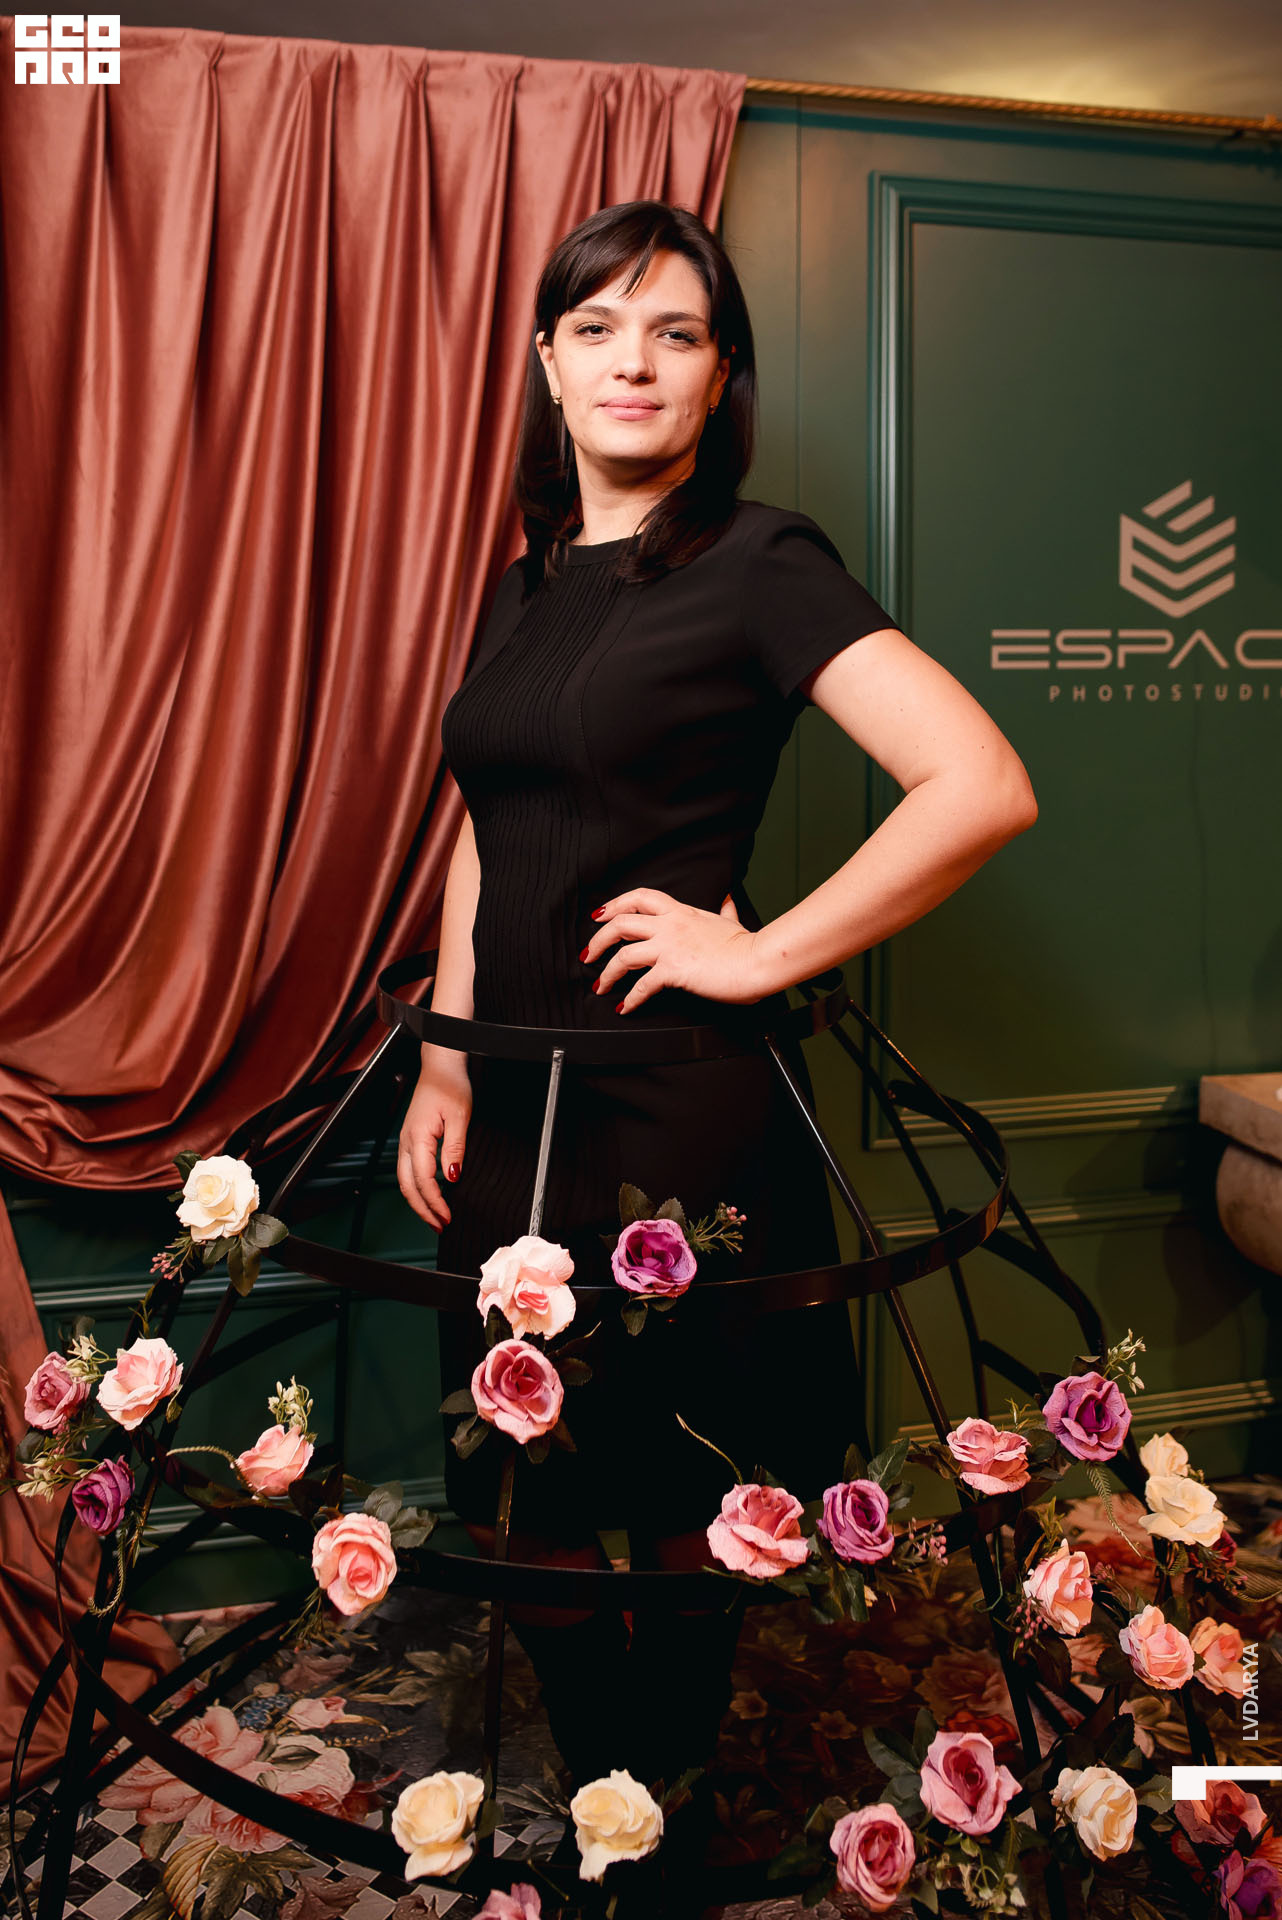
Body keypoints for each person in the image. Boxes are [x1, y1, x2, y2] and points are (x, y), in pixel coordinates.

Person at [396, 199, 1037, 1881]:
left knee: (684, 1489)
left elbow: (978, 784)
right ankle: (607, 1782)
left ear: (717, 376)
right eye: (598, 327)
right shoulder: (527, 580)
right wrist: (446, 1057)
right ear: (546, 363)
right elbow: (486, 829)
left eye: (673, 332)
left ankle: (654, 1820)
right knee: (519, 1477)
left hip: (674, 1112)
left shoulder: (759, 562)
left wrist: (753, 952)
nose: (634, 361)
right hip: (512, 1101)